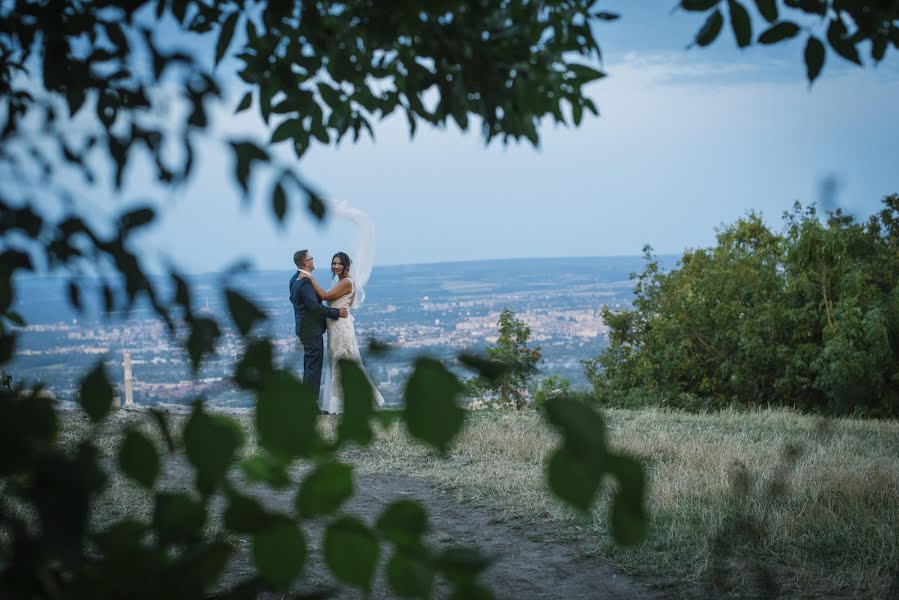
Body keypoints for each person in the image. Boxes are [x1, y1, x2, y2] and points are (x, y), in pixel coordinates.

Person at [300, 251, 385, 413]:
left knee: (343, 362)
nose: (336, 266)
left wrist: (310, 278)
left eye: (339, 263)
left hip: (341, 328)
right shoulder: (340, 282)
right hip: (335, 328)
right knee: (336, 362)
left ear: (346, 266)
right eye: (334, 263)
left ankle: (349, 402)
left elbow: (325, 296)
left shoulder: (346, 282)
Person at [290, 249, 347, 403]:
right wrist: (336, 312)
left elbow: (293, 300)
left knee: (309, 367)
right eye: (311, 258)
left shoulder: (294, 279)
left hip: (303, 328)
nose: (313, 261)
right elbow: (314, 307)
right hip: (311, 330)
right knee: (313, 369)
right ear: (305, 262)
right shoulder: (305, 281)